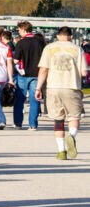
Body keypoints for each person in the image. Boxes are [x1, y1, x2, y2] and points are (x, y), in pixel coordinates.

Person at [35, 26, 87, 160]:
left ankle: (61, 151)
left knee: (58, 119)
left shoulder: (49, 48)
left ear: (58, 36)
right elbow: (84, 72)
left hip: (53, 87)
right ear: (71, 36)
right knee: (74, 117)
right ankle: (72, 136)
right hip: (72, 87)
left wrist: (38, 88)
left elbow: (43, 70)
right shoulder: (77, 49)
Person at [12, 21, 46, 130]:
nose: (19, 32)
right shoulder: (40, 42)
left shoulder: (21, 43)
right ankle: (33, 124)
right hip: (37, 74)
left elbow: (16, 60)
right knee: (34, 99)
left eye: (19, 30)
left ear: (23, 30)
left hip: (23, 74)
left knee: (20, 99)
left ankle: (18, 123)